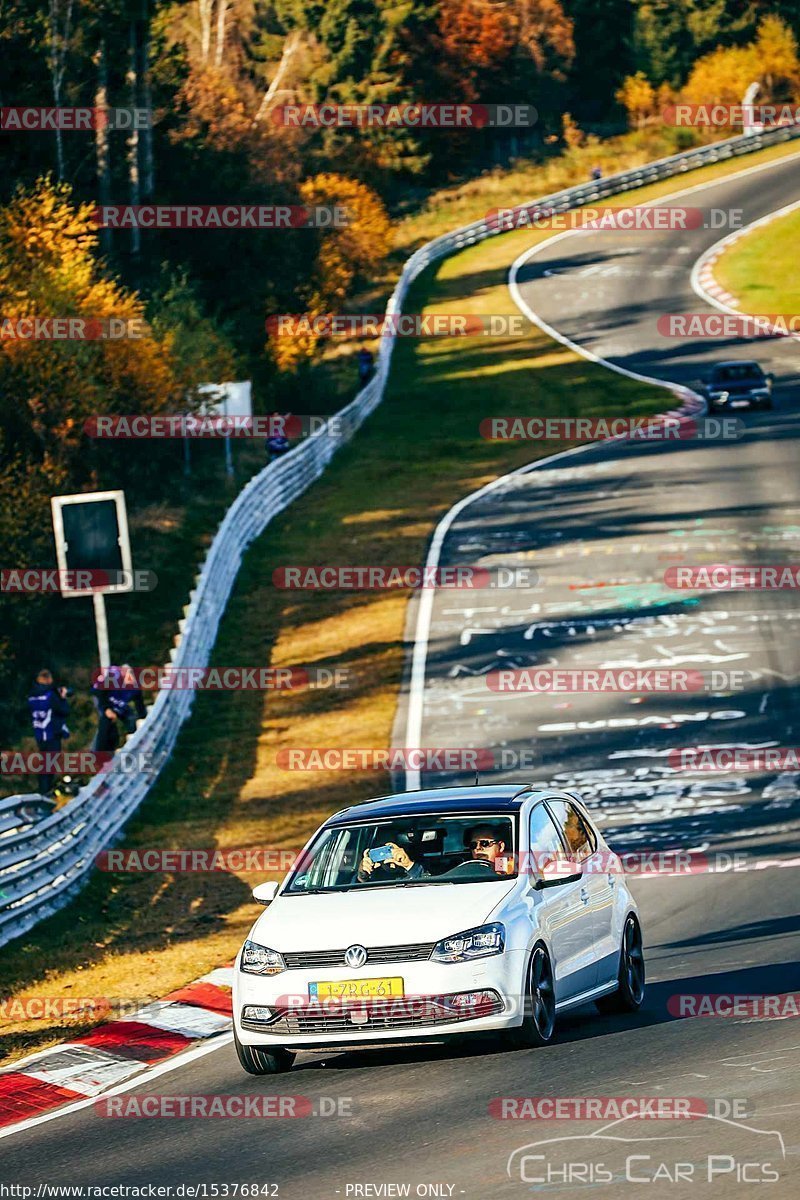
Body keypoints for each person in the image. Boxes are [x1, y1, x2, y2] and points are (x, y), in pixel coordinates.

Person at [27, 668, 70, 795]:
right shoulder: (51, 695)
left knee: (44, 762)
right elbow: (64, 711)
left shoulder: (32, 695)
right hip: (52, 733)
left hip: (40, 734)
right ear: (48, 679)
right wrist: (63, 698)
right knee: (51, 763)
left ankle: (43, 789)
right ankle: (45, 791)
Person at [91, 664, 146, 753]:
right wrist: (106, 709)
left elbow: (139, 703)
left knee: (131, 719)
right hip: (103, 698)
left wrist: (143, 717)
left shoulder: (134, 686)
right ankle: (98, 752)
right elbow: (101, 693)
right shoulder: (113, 676)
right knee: (107, 722)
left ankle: (135, 744)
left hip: (118, 702)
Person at [357, 833, 428, 882]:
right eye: (384, 852)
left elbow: (428, 883)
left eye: (394, 852)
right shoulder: (375, 876)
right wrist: (363, 875)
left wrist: (409, 865)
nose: (392, 862)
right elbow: (352, 888)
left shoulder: (417, 871)